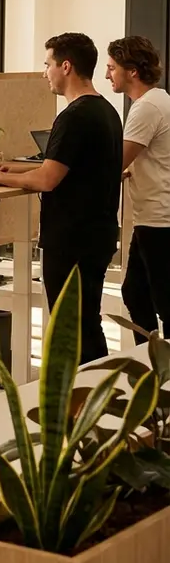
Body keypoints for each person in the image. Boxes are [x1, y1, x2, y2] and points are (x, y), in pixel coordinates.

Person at [0, 33, 123, 363]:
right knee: (86, 322)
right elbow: (69, 166)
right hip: (97, 234)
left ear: (65, 66)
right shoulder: (105, 111)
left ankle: (77, 399)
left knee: (70, 327)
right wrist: (12, 166)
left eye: (47, 64)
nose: (45, 73)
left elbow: (48, 179)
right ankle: (98, 396)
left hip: (72, 239)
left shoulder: (73, 117)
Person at [107, 36, 170, 342]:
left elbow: (114, 162)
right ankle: (150, 361)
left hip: (159, 219)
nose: (108, 75)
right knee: (134, 292)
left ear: (131, 71)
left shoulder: (145, 108)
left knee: (162, 302)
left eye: (112, 67)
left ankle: (161, 371)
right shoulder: (160, 100)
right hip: (154, 215)